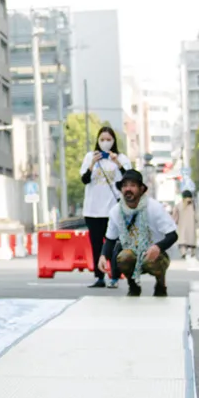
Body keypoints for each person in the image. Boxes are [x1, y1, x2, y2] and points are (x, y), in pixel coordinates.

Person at [106, 170, 177, 297]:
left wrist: (157, 247)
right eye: (125, 186)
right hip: (133, 252)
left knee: (150, 258)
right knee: (123, 257)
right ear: (121, 190)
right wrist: (102, 256)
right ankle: (133, 286)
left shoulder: (154, 207)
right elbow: (110, 239)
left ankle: (161, 284)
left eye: (133, 185)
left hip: (156, 254)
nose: (128, 189)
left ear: (141, 189)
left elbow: (173, 235)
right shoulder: (116, 211)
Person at [80, 123, 126, 288]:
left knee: (114, 244)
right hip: (93, 210)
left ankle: (114, 276)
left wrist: (118, 163)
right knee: (96, 245)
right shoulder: (89, 157)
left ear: (113, 141)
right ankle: (99, 277)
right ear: (98, 141)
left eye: (108, 139)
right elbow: (84, 180)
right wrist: (92, 163)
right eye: (102, 139)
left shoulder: (120, 158)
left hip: (113, 210)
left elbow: (130, 179)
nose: (105, 142)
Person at [176, 189, 199, 261]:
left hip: (181, 226)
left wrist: (174, 223)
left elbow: (175, 216)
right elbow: (197, 215)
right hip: (191, 226)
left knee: (182, 241)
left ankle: (183, 253)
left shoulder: (178, 205)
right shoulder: (194, 205)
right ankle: (192, 253)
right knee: (192, 240)